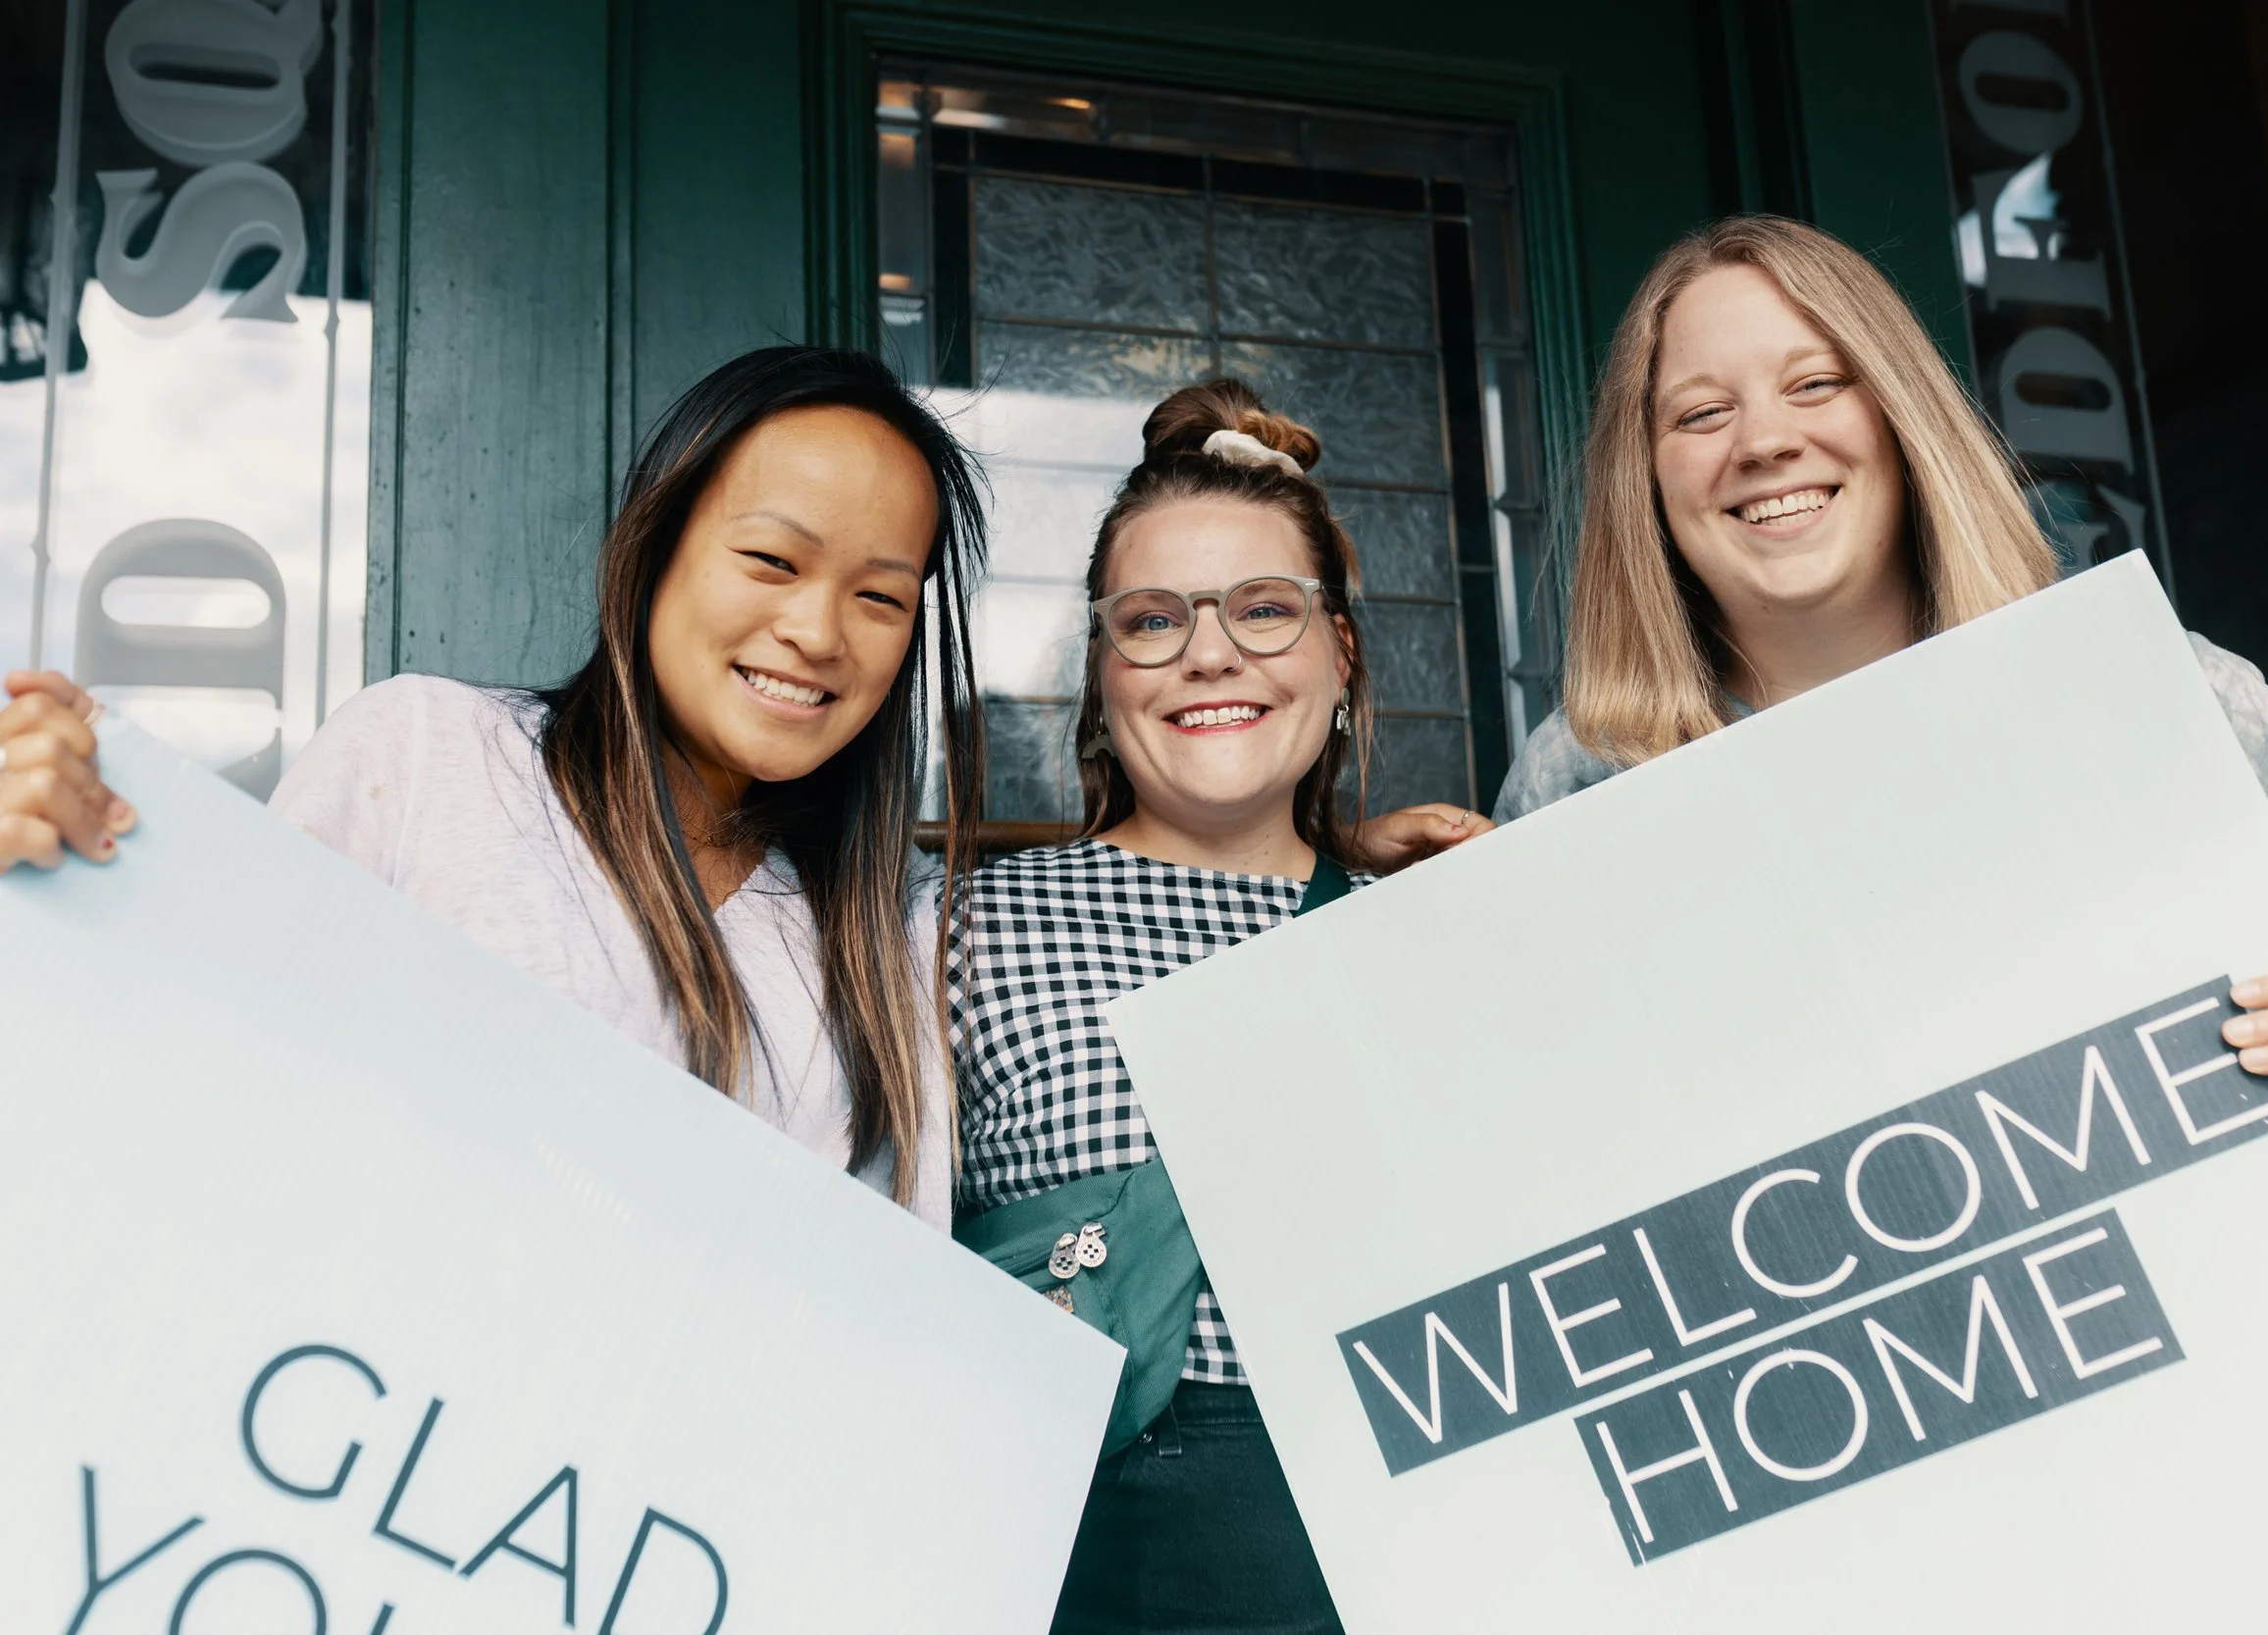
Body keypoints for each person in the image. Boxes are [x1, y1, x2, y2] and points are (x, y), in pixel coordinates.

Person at [1493, 215, 2268, 1150]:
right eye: (1702, 413)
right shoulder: (1576, 783)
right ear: (1643, 477)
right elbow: (1530, 1164)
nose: (1763, 441)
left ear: (1903, 414)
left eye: (1817, 383)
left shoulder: (2170, 703)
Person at [0, 345, 990, 1222]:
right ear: (652, 548)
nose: (818, 632)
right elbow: (212, 1044)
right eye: (772, 559)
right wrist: (83, 859)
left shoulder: (887, 933)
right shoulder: (426, 753)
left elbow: (867, 1317)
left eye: (879, 597)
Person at [949, 381, 1373, 1634]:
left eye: (1264, 609)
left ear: (1338, 651)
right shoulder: (956, 933)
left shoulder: (1430, 932)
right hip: (1064, 1570)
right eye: (1150, 620)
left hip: (1381, 1565)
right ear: (1100, 671)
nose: (1209, 652)